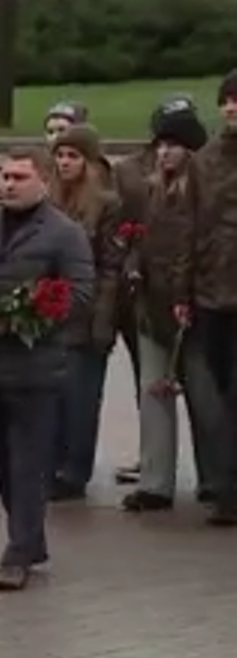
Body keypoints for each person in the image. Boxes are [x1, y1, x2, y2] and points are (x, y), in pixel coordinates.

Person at [0, 146, 94, 591]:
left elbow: (79, 294)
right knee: (4, 460)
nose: (8, 184)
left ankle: (16, 551)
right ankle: (30, 539)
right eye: (5, 176)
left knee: (29, 461)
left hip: (36, 364)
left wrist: (18, 319)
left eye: (19, 177)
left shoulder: (64, 235)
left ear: (43, 182)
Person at [127, 99, 227, 511]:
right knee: (153, 395)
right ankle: (155, 481)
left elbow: (200, 248)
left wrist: (189, 296)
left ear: (192, 150)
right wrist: (134, 264)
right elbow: (138, 240)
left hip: (195, 307)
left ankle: (217, 479)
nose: (164, 152)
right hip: (153, 308)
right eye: (160, 144)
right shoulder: (150, 191)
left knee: (207, 401)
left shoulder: (205, 192)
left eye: (173, 145)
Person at [47, 124, 128, 502]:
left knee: (80, 397)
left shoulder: (107, 204)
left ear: (89, 161)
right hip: (51, 311)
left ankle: (74, 470)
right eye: (60, 155)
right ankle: (49, 463)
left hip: (88, 310)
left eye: (72, 156)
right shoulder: (48, 200)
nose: (64, 162)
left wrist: (102, 320)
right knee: (52, 395)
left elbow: (111, 267)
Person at [188, 70, 237, 526]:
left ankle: (230, 492)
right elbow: (191, 225)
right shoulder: (204, 162)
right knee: (218, 394)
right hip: (212, 294)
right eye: (226, 100)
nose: (231, 107)